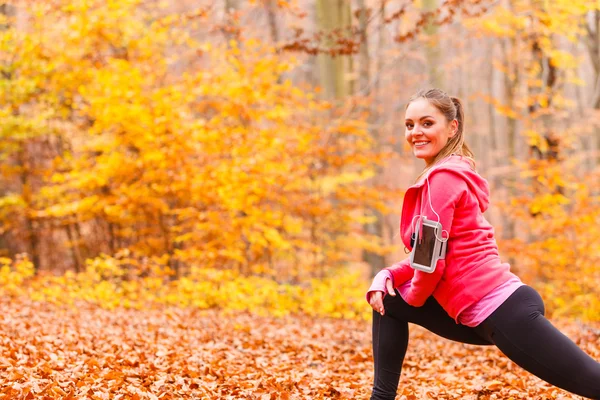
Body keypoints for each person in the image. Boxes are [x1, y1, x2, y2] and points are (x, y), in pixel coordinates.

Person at [366, 88, 600, 400]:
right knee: (388, 302)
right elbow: (432, 252)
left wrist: (414, 295)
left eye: (426, 123)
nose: (416, 132)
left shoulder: (441, 180)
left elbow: (430, 263)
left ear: (452, 128)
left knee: (593, 383)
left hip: (503, 310)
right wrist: (390, 275)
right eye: (409, 125)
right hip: (475, 311)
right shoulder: (444, 174)